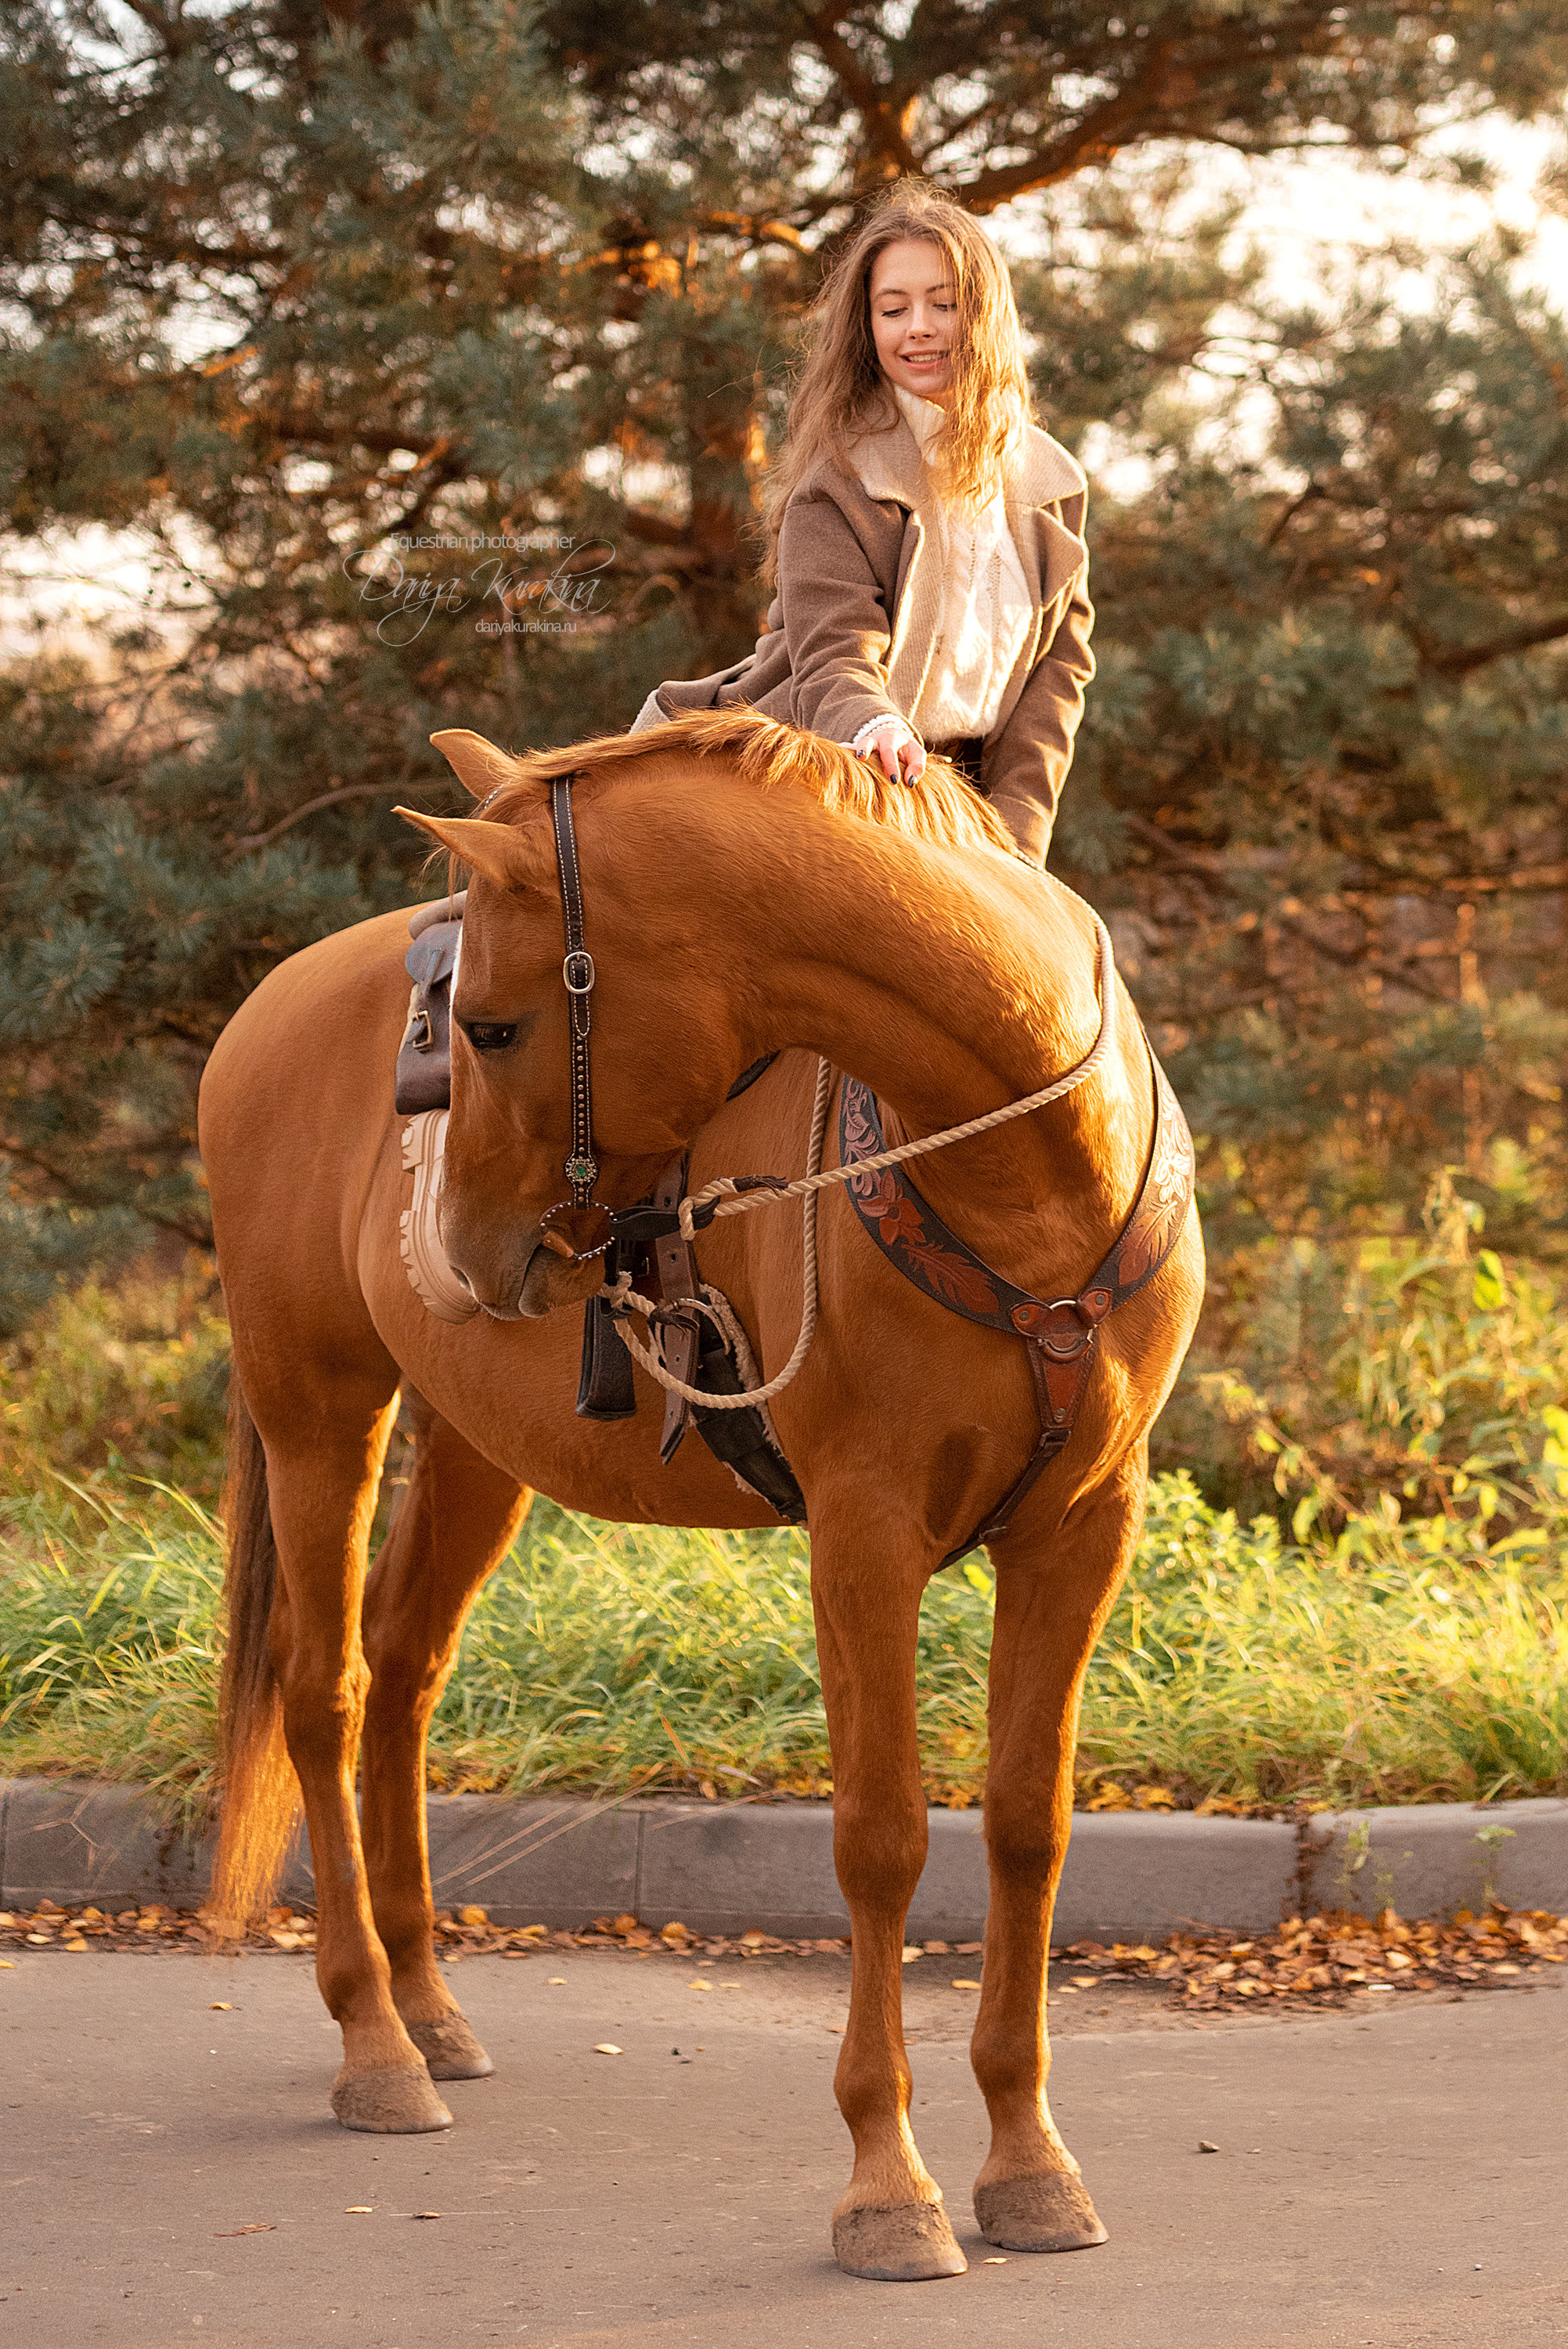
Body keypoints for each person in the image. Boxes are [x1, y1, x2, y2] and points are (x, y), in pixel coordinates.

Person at [629, 184, 1094, 867]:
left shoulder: (1053, 484)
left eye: (944, 303)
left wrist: (1017, 835)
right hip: (823, 759)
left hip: (960, 799)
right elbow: (833, 649)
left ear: (985, 315)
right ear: (866, 326)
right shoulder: (839, 476)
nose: (919, 327)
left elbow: (1057, 676)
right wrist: (873, 725)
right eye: (893, 308)